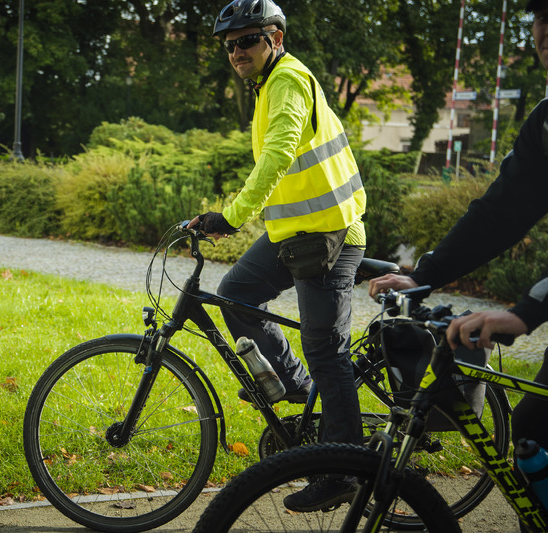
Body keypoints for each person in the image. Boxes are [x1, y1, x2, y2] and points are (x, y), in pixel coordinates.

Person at [189, 0, 367, 511]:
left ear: (276, 39)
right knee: (238, 294)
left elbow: (281, 149)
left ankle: (344, 470)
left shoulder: (288, 80)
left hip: (331, 235)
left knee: (326, 351)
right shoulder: (269, 85)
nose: (237, 50)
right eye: (230, 44)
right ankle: (299, 394)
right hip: (295, 233)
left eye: (248, 39)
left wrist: (234, 213)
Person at [370, 0, 548, 460]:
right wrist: (422, 274)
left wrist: (528, 310)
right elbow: (500, 213)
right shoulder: (546, 122)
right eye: (541, 32)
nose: (545, 38)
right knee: (534, 428)